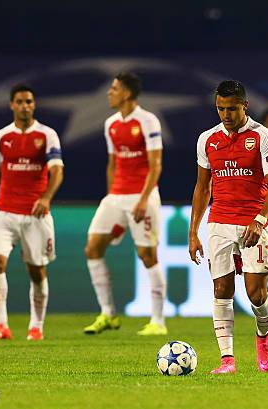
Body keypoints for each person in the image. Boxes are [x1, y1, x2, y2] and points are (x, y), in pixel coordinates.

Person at [189, 80, 268, 374]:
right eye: (220, 108)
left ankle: (263, 334)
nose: (225, 114)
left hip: (253, 222)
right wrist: (193, 231)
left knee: (256, 294)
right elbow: (203, 188)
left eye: (231, 108)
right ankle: (227, 360)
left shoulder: (264, 137)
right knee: (221, 289)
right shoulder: (207, 139)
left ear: (245, 105)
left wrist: (259, 219)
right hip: (219, 221)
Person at [83, 72, 167, 336]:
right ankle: (108, 313)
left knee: (147, 256)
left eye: (114, 88)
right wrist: (111, 201)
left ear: (127, 94)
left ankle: (158, 321)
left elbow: (156, 164)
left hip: (143, 196)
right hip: (116, 196)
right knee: (92, 248)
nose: (109, 93)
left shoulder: (148, 121)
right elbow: (112, 163)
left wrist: (143, 200)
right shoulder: (110, 124)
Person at [0, 83, 64, 341]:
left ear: (33, 105)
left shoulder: (47, 135)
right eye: (20, 101)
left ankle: (36, 326)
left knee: (36, 271)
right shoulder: (1, 137)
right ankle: (1, 325)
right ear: (11, 105)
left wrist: (46, 197)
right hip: (4, 211)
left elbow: (57, 170)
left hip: (35, 214)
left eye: (29, 101)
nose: (25, 106)